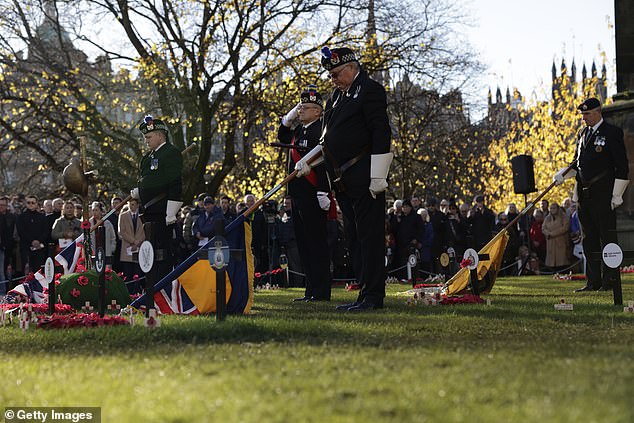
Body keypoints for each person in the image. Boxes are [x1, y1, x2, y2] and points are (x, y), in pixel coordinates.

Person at [295, 46, 392, 311]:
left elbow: (381, 132)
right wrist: (308, 161)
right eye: (330, 75)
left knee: (370, 237)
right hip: (342, 179)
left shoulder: (370, 90)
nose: (333, 79)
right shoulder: (337, 97)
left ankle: (373, 296)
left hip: (364, 175)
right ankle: (364, 292)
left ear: (351, 68)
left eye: (336, 73)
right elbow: (327, 140)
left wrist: (379, 174)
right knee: (354, 238)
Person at [553, 97, 629, 292]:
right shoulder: (582, 134)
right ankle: (593, 281)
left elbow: (621, 166)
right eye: (582, 114)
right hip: (584, 195)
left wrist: (617, 194)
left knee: (607, 238)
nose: (584, 118)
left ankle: (610, 280)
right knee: (590, 240)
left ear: (598, 112)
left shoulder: (611, 132)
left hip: (603, 194)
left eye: (587, 114)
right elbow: (577, 164)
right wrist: (564, 174)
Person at [278, 85, 332, 301]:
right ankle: (310, 291)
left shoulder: (321, 129)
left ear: (317, 110)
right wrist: (288, 118)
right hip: (299, 194)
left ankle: (321, 291)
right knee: (304, 243)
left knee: (316, 243)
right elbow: (282, 135)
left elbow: (324, 162)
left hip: (312, 193)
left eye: (305, 108)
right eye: (299, 108)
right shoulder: (300, 130)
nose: (301, 111)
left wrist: (323, 190)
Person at [130, 115, 183, 279]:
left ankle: (163, 285)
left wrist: (171, 211)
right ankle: (153, 284)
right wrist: (140, 191)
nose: (146, 140)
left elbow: (175, 183)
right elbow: (148, 179)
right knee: (152, 250)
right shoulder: (148, 158)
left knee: (163, 250)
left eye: (149, 137)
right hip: (149, 211)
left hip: (163, 210)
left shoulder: (171, 153)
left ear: (160, 135)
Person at [15, 195, 48, 274]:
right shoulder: (21, 217)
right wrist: (32, 241)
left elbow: (46, 231)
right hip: (26, 247)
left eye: (33, 202)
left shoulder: (42, 217)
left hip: (39, 248)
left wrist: (38, 241)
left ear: (36, 204)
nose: (31, 204)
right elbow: (21, 232)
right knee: (26, 271)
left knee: (38, 271)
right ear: (26, 204)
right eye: (28, 202)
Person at [118, 197, 145, 291]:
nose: (131, 207)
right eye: (130, 204)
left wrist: (138, 242)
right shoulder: (123, 216)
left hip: (139, 247)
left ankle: (137, 291)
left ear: (137, 205)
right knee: (128, 272)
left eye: (133, 204)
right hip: (127, 247)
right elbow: (122, 231)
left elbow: (144, 231)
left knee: (137, 273)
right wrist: (133, 241)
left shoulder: (142, 216)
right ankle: (128, 292)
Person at [541, 202, 571, 271]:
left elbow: (565, 228)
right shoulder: (547, 218)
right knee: (551, 261)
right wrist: (548, 233)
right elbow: (543, 228)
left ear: (558, 209)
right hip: (550, 242)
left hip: (560, 241)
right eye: (551, 208)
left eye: (554, 208)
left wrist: (553, 234)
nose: (552, 210)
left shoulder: (563, 217)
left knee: (561, 261)